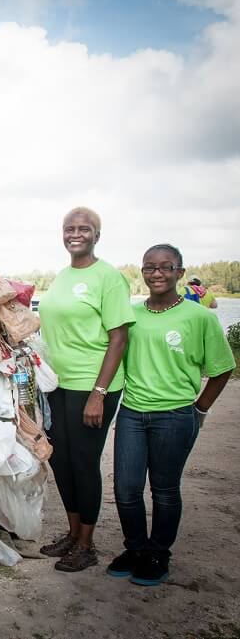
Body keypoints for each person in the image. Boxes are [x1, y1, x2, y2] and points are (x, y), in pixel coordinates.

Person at [108, 244, 234, 586]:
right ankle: (135, 548)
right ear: (143, 272)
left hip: (176, 416)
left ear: (180, 272)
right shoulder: (132, 316)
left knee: (164, 490)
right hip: (133, 413)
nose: (157, 273)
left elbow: (222, 369)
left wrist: (200, 409)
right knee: (126, 488)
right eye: (150, 267)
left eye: (166, 267)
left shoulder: (200, 317)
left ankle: (158, 554)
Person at [37, 206, 135, 572]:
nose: (75, 234)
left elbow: (119, 338)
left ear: (97, 234)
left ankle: (87, 545)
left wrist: (99, 392)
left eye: (84, 228)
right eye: (69, 228)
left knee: (83, 462)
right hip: (57, 385)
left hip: (91, 386)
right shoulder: (62, 276)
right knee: (61, 461)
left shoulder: (109, 278)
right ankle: (73, 533)